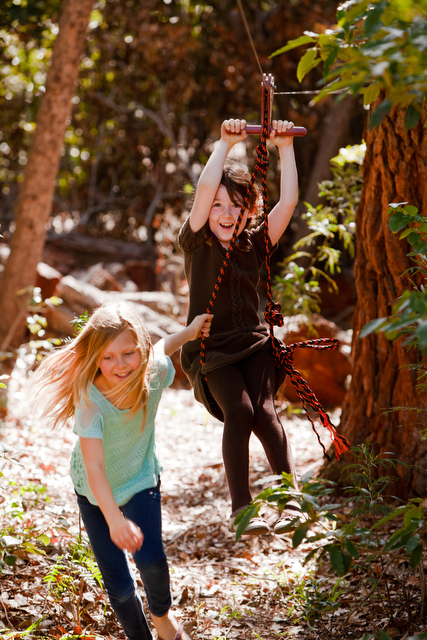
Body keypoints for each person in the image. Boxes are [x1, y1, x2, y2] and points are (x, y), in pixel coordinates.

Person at [31, 301, 212, 640]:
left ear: (141, 349)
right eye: (109, 357)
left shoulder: (153, 372)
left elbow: (162, 348)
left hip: (140, 477)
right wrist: (114, 519)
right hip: (94, 492)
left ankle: (162, 618)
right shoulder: (90, 399)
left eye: (129, 353)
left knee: (151, 559)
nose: (121, 364)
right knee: (119, 587)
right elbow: (94, 466)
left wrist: (189, 333)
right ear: (96, 358)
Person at [178, 118, 300, 536]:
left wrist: (285, 148)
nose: (226, 213)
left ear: (249, 210)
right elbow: (203, 191)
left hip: (254, 343)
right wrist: (225, 144)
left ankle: (292, 501)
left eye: (236, 206)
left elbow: (287, 203)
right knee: (241, 411)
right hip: (212, 349)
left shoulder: (255, 242)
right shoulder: (197, 242)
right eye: (218, 205)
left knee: (265, 412)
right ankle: (241, 509)